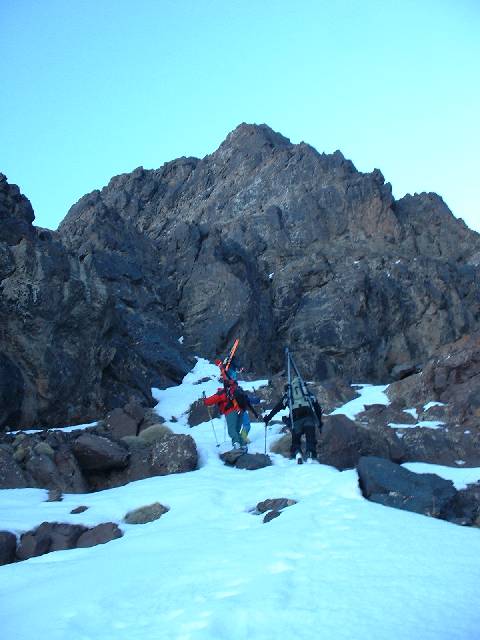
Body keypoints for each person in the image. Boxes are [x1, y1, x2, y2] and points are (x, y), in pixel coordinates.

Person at [263, 376, 322, 463]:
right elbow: (317, 407)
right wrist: (319, 421)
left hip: (296, 419)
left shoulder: (289, 396)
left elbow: (277, 408)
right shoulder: (306, 393)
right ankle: (310, 456)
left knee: (296, 440)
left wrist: (268, 418)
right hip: (308, 417)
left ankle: (298, 454)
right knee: (310, 438)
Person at [203, 379, 247, 451]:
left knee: (232, 430)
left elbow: (211, 400)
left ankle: (237, 445)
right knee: (237, 430)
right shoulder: (239, 391)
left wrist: (205, 401)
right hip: (241, 411)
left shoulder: (223, 392)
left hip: (231, 411)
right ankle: (243, 445)